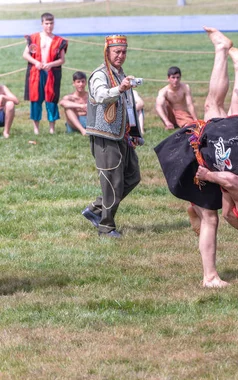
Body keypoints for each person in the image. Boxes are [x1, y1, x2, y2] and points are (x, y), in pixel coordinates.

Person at [155, 27, 238, 288]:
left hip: (212, 133)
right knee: (211, 218)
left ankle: (234, 62)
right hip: (200, 160)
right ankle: (210, 277)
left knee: (214, 104)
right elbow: (229, 213)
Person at [81, 34, 143, 238]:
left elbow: (127, 106)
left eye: (124, 51)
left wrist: (134, 132)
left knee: (132, 176)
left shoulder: (119, 73)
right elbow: (100, 95)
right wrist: (120, 88)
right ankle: (106, 227)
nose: (121, 55)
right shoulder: (100, 75)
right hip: (104, 136)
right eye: (117, 51)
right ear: (107, 52)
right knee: (112, 182)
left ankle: (96, 210)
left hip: (121, 135)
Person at [23, 12, 68, 135]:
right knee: (35, 99)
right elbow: (25, 54)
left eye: (51, 23)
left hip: (52, 73)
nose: (49, 26)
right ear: (42, 24)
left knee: (51, 99)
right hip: (35, 73)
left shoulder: (59, 41)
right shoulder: (34, 38)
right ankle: (36, 129)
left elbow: (62, 60)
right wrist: (36, 62)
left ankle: (52, 128)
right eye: (46, 23)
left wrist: (51, 64)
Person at [59, 71, 88, 136]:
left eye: (83, 81)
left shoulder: (89, 96)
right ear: (74, 83)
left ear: (86, 83)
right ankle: (82, 130)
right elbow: (62, 103)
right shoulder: (70, 97)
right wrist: (81, 106)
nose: (81, 84)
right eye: (78, 82)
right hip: (74, 124)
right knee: (68, 109)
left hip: (87, 121)